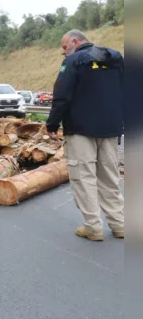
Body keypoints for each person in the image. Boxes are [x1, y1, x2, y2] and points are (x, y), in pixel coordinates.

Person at [46, 29, 124, 241]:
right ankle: (119, 225)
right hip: (110, 129)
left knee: (84, 177)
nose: (63, 52)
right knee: (109, 177)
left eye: (64, 47)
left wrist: (52, 124)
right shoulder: (115, 59)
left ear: (74, 41)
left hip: (80, 130)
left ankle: (93, 227)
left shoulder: (73, 61)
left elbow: (61, 96)